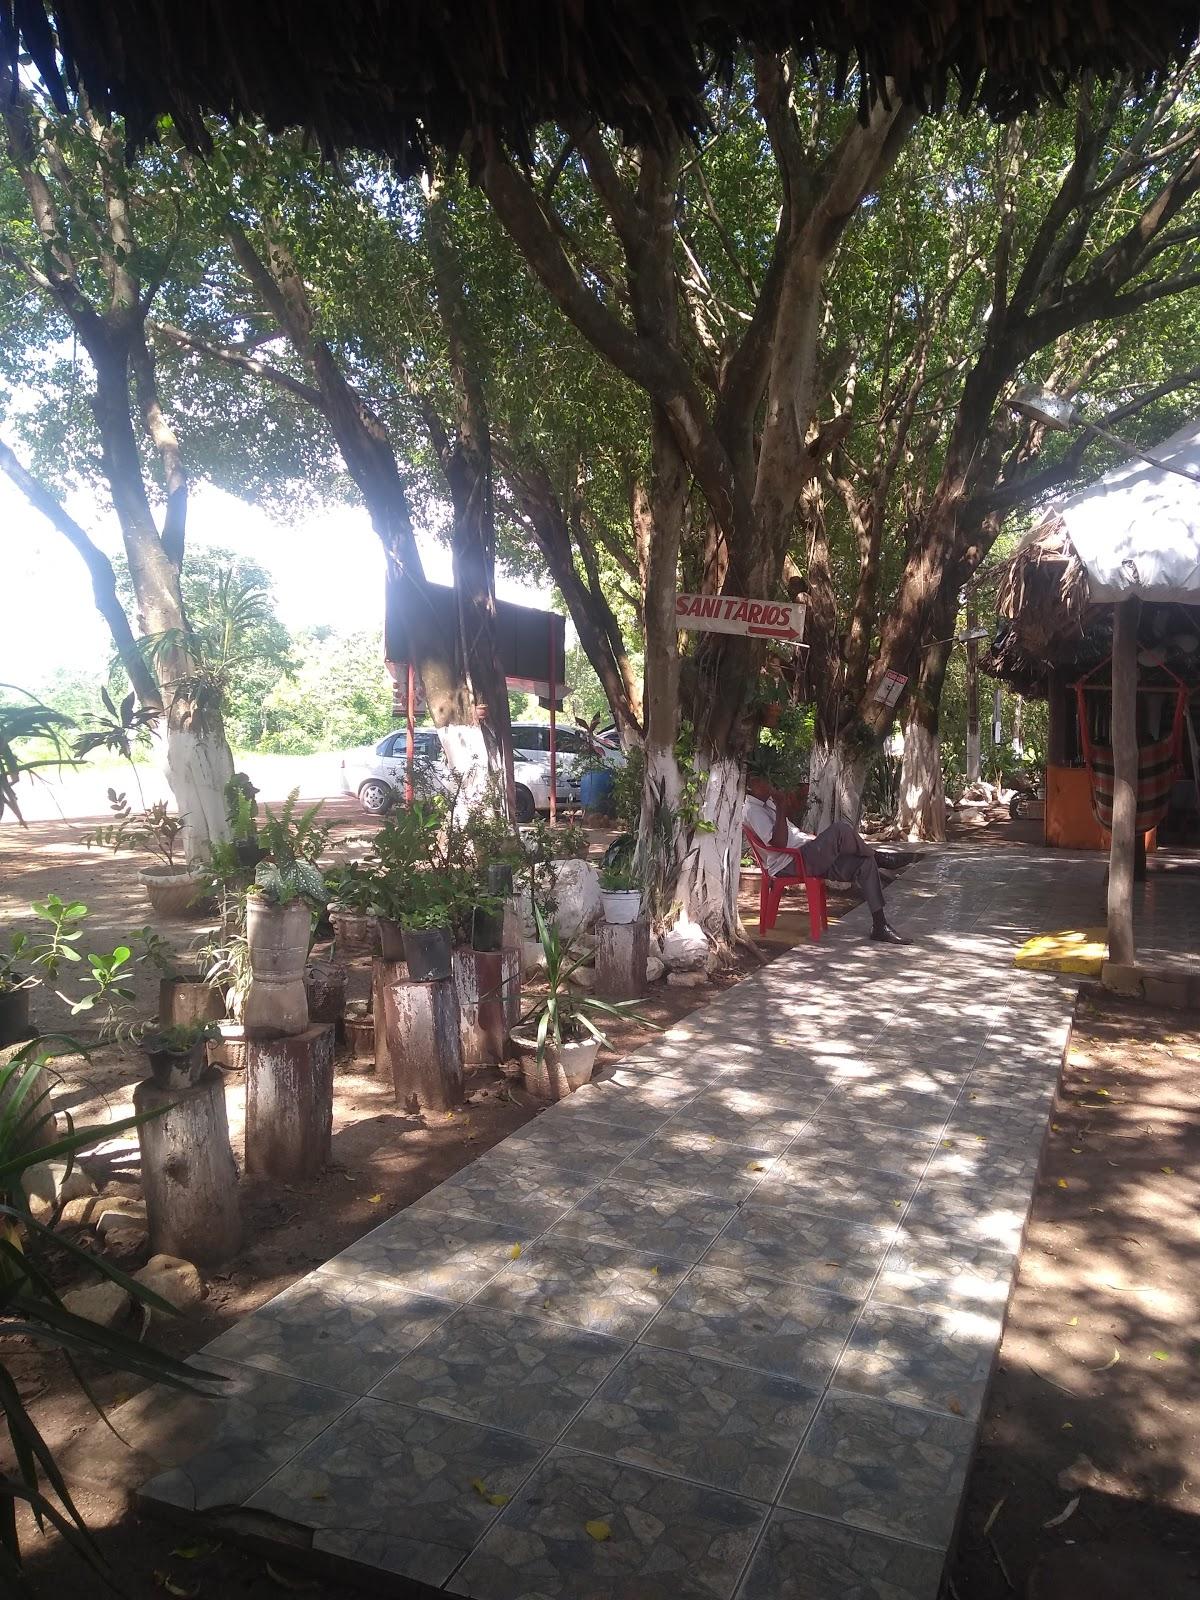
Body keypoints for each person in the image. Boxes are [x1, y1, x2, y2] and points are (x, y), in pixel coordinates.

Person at [743, 772, 908, 944]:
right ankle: (880, 858)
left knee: (864, 863)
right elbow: (780, 843)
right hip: (791, 863)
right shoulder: (753, 810)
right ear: (751, 783)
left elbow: (790, 833)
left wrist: (807, 837)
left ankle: (880, 925)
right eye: (763, 780)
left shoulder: (766, 804)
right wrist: (781, 804)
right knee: (840, 829)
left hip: (805, 854)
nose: (769, 784)